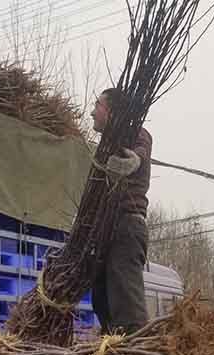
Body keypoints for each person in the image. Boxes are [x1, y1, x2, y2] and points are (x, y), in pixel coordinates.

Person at [89, 88, 152, 336]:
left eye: (98, 105)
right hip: (106, 229)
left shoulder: (134, 134)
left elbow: (141, 147)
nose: (92, 112)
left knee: (127, 310)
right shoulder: (105, 146)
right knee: (102, 302)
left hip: (126, 227)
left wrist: (134, 160)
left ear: (113, 111)